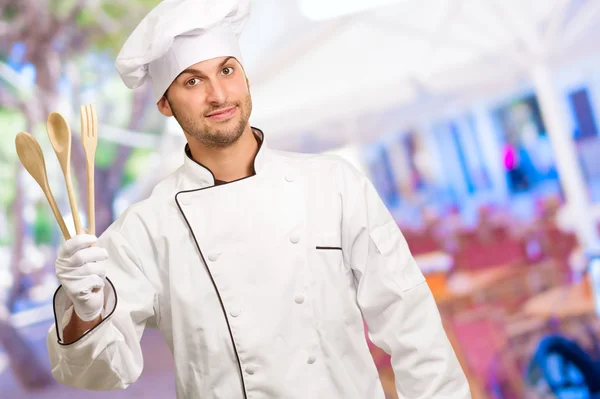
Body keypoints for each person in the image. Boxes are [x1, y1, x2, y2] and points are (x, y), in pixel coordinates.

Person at [46, 0, 471, 398]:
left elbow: (410, 321)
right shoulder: (146, 229)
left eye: (227, 71)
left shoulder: (334, 184)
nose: (218, 95)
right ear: (164, 104)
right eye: (192, 81)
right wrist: (86, 309)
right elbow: (100, 373)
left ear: (245, 77)